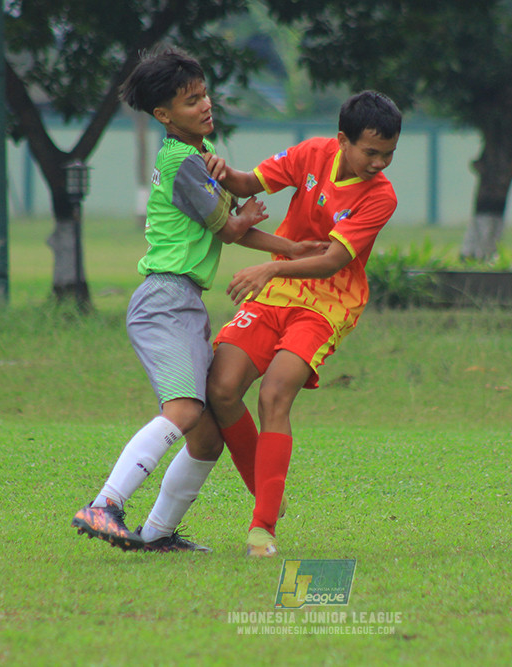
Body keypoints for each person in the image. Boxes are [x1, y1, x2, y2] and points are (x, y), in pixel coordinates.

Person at [71, 47, 325, 553]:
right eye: (191, 101)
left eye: (204, 93)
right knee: (186, 409)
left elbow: (227, 229)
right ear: (164, 115)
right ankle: (104, 504)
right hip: (165, 299)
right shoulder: (185, 162)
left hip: (180, 300)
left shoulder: (192, 161)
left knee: (206, 435)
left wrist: (287, 248)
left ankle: (157, 535)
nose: (205, 105)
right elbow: (231, 228)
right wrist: (248, 216)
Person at [204, 90, 402, 557]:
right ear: (342, 141)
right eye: (371, 152)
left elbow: (332, 260)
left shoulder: (381, 197)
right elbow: (246, 182)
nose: (379, 164)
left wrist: (269, 266)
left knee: (275, 394)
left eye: (389, 155)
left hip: (327, 303)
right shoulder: (311, 153)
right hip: (277, 291)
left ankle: (262, 528)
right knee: (222, 389)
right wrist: (211, 165)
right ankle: (267, 488)